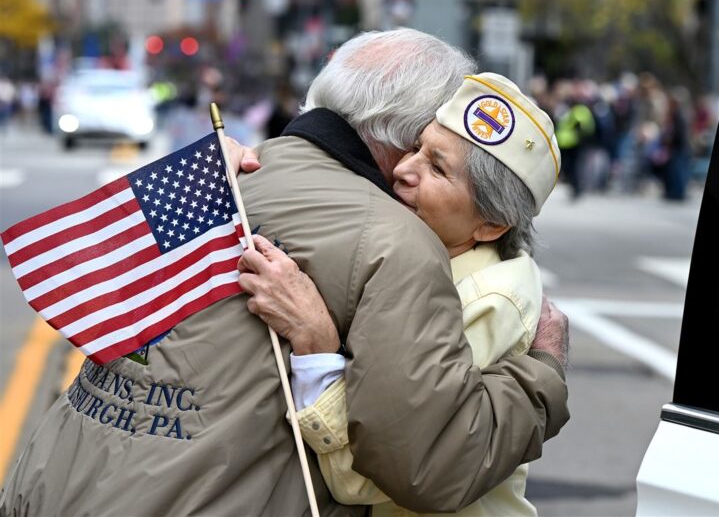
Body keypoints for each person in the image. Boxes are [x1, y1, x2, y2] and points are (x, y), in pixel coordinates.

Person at [0, 29, 568, 516]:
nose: (413, 173)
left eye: (439, 162)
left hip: (49, 483)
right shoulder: (395, 243)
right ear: (410, 133)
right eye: (422, 147)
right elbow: (425, 464)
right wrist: (545, 372)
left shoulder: (213, 174)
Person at [238, 72, 562, 516]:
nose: (404, 171)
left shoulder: (488, 297)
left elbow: (374, 476)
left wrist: (317, 343)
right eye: (416, 148)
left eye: (438, 168)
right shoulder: (415, 249)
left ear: (491, 225)